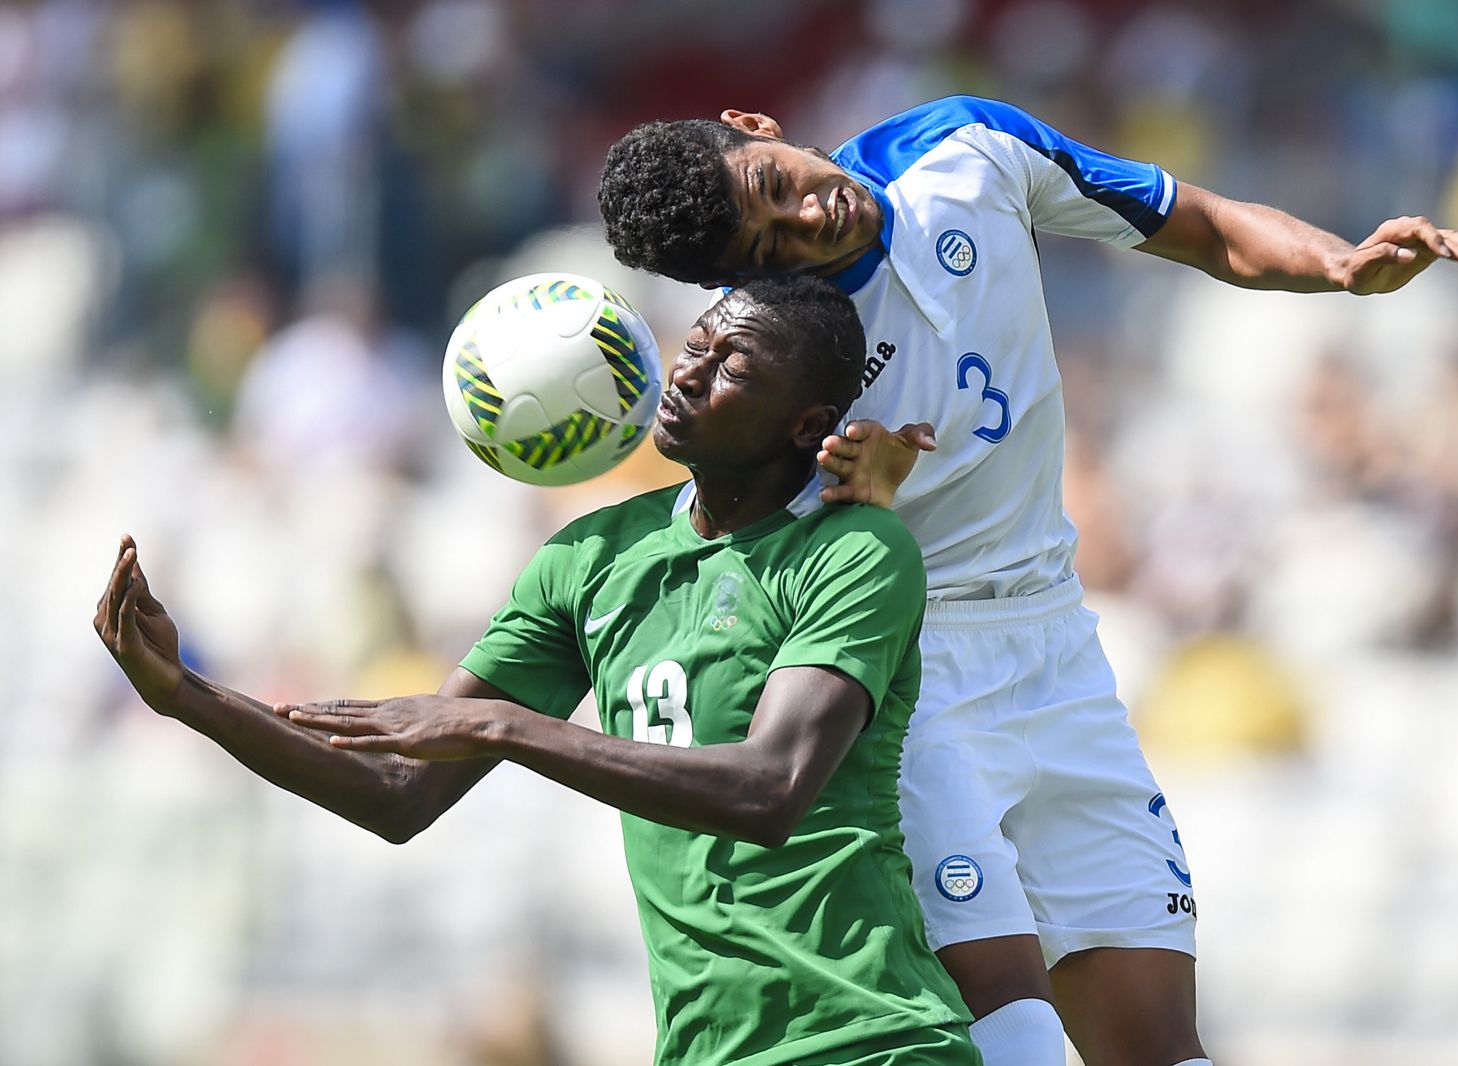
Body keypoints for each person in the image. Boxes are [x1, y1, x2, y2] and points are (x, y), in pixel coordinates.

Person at [597, 95, 1458, 1066]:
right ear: (734, 281)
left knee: (1160, 1048)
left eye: (777, 187)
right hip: (910, 684)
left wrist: (1340, 266)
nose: (808, 217)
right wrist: (862, 503)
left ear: (757, 126)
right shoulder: (771, 363)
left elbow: (1204, 228)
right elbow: (755, 567)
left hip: (1059, 651)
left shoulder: (965, 148)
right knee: (1016, 1038)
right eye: (770, 247)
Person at [94, 276, 981, 1066]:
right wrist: (186, 697)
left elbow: (771, 789)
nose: (688, 375)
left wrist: (505, 727)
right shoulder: (592, 558)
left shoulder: (856, 552)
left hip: (868, 1037)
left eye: (733, 367)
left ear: (808, 425)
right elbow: (402, 792)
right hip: (705, 1047)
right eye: (696, 345)